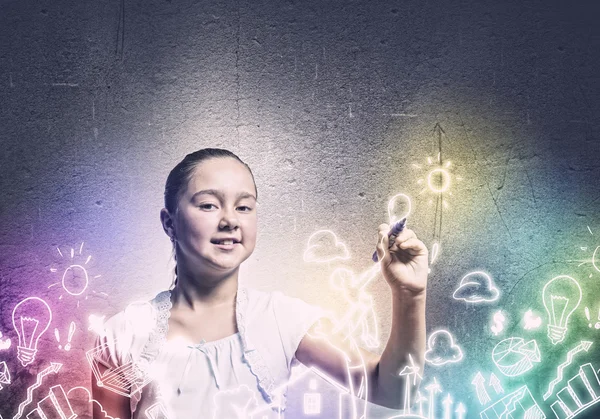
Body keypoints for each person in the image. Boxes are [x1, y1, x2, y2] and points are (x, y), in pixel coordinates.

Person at [91, 148, 428, 418]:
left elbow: (392, 392)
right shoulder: (124, 334)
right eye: (208, 205)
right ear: (170, 223)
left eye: (244, 206)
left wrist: (410, 295)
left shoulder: (283, 319)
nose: (229, 220)